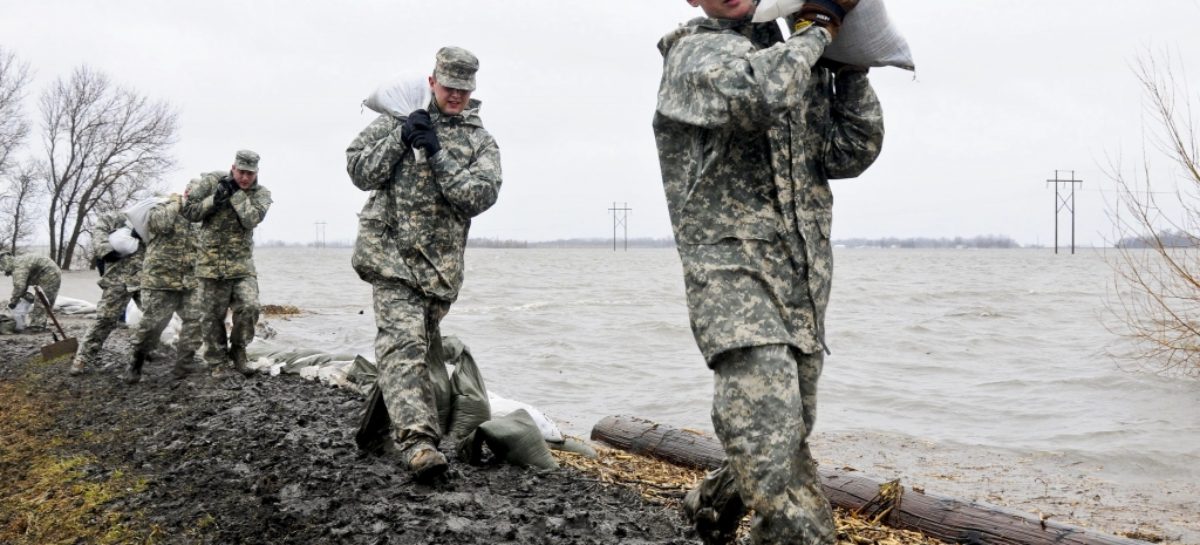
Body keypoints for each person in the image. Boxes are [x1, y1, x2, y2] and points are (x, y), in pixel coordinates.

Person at [653, 0, 884, 543]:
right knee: (769, 431)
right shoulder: (694, 53)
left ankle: (711, 503)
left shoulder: (794, 58)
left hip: (801, 281)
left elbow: (849, 152)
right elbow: (756, 95)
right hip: (733, 277)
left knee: (786, 427)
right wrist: (818, 33)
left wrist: (849, 72)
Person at [346, 46, 502, 481]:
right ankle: (419, 445)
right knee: (404, 345)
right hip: (389, 256)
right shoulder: (399, 118)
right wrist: (399, 139)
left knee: (411, 349)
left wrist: (437, 154)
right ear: (432, 82)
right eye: (449, 87)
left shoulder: (479, 141)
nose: (456, 96)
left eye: (464, 90)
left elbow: (478, 197)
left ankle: (371, 432)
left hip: (439, 270)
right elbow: (359, 170)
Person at [181, 150, 272, 378]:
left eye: (250, 174)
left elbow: (251, 219)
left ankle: (238, 352)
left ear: (256, 173)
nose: (245, 178)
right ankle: (216, 362)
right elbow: (189, 211)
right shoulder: (212, 181)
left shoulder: (261, 194)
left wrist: (235, 195)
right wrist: (215, 198)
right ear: (233, 168)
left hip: (241, 266)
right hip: (210, 265)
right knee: (212, 316)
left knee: (250, 307)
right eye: (241, 172)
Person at [123, 193, 204, 384]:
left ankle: (183, 368)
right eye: (191, 194)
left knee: (195, 322)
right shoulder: (162, 207)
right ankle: (136, 361)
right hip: (160, 281)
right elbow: (161, 224)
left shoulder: (199, 217)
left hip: (189, 282)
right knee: (152, 325)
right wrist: (176, 202)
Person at [70, 211, 145, 375]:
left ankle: (147, 354)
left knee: (154, 316)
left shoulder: (151, 220)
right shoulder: (115, 218)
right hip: (118, 278)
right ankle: (82, 358)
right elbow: (99, 234)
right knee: (105, 318)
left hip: (145, 278)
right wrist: (107, 251)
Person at [2, 252, 62, 330]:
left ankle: (37, 326)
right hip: (50, 273)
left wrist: (13, 302)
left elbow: (19, 286)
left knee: (41, 301)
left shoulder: (18, 267)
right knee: (42, 301)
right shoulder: (18, 262)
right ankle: (39, 323)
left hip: (50, 274)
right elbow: (23, 285)